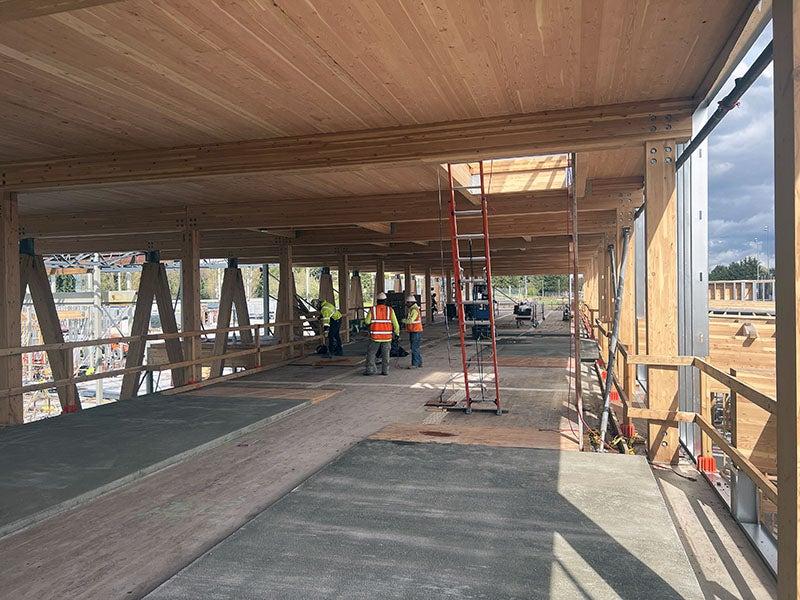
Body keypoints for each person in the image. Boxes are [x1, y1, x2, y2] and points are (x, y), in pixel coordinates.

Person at [363, 292, 399, 376]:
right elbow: (395, 324)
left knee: (371, 354)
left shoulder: (373, 310)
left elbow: (367, 321)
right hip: (387, 337)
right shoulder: (390, 310)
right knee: (386, 355)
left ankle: (370, 370)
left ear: (377, 301)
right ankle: (385, 371)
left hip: (375, 337)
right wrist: (397, 333)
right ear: (385, 301)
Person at [402, 295, 423, 368]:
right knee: (416, 347)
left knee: (414, 348)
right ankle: (419, 362)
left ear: (411, 302)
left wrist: (403, 321)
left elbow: (411, 321)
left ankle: (415, 364)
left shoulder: (414, 310)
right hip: (414, 330)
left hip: (415, 331)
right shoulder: (412, 309)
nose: (406, 304)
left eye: (407, 303)